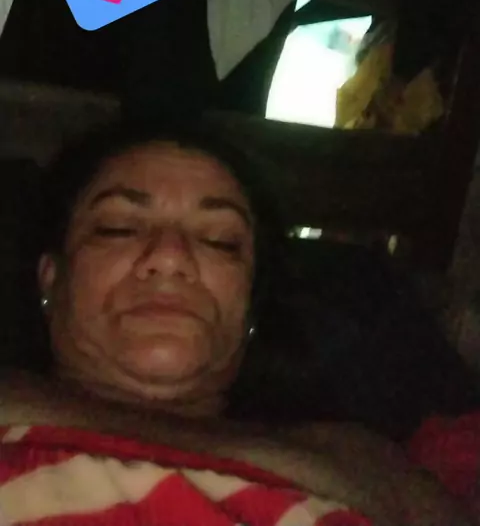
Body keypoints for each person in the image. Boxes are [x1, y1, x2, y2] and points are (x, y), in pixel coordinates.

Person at [0, 119, 475, 525]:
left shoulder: (376, 465)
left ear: (250, 306)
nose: (170, 257)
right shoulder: (356, 470)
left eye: (220, 241)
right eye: (118, 228)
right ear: (50, 279)